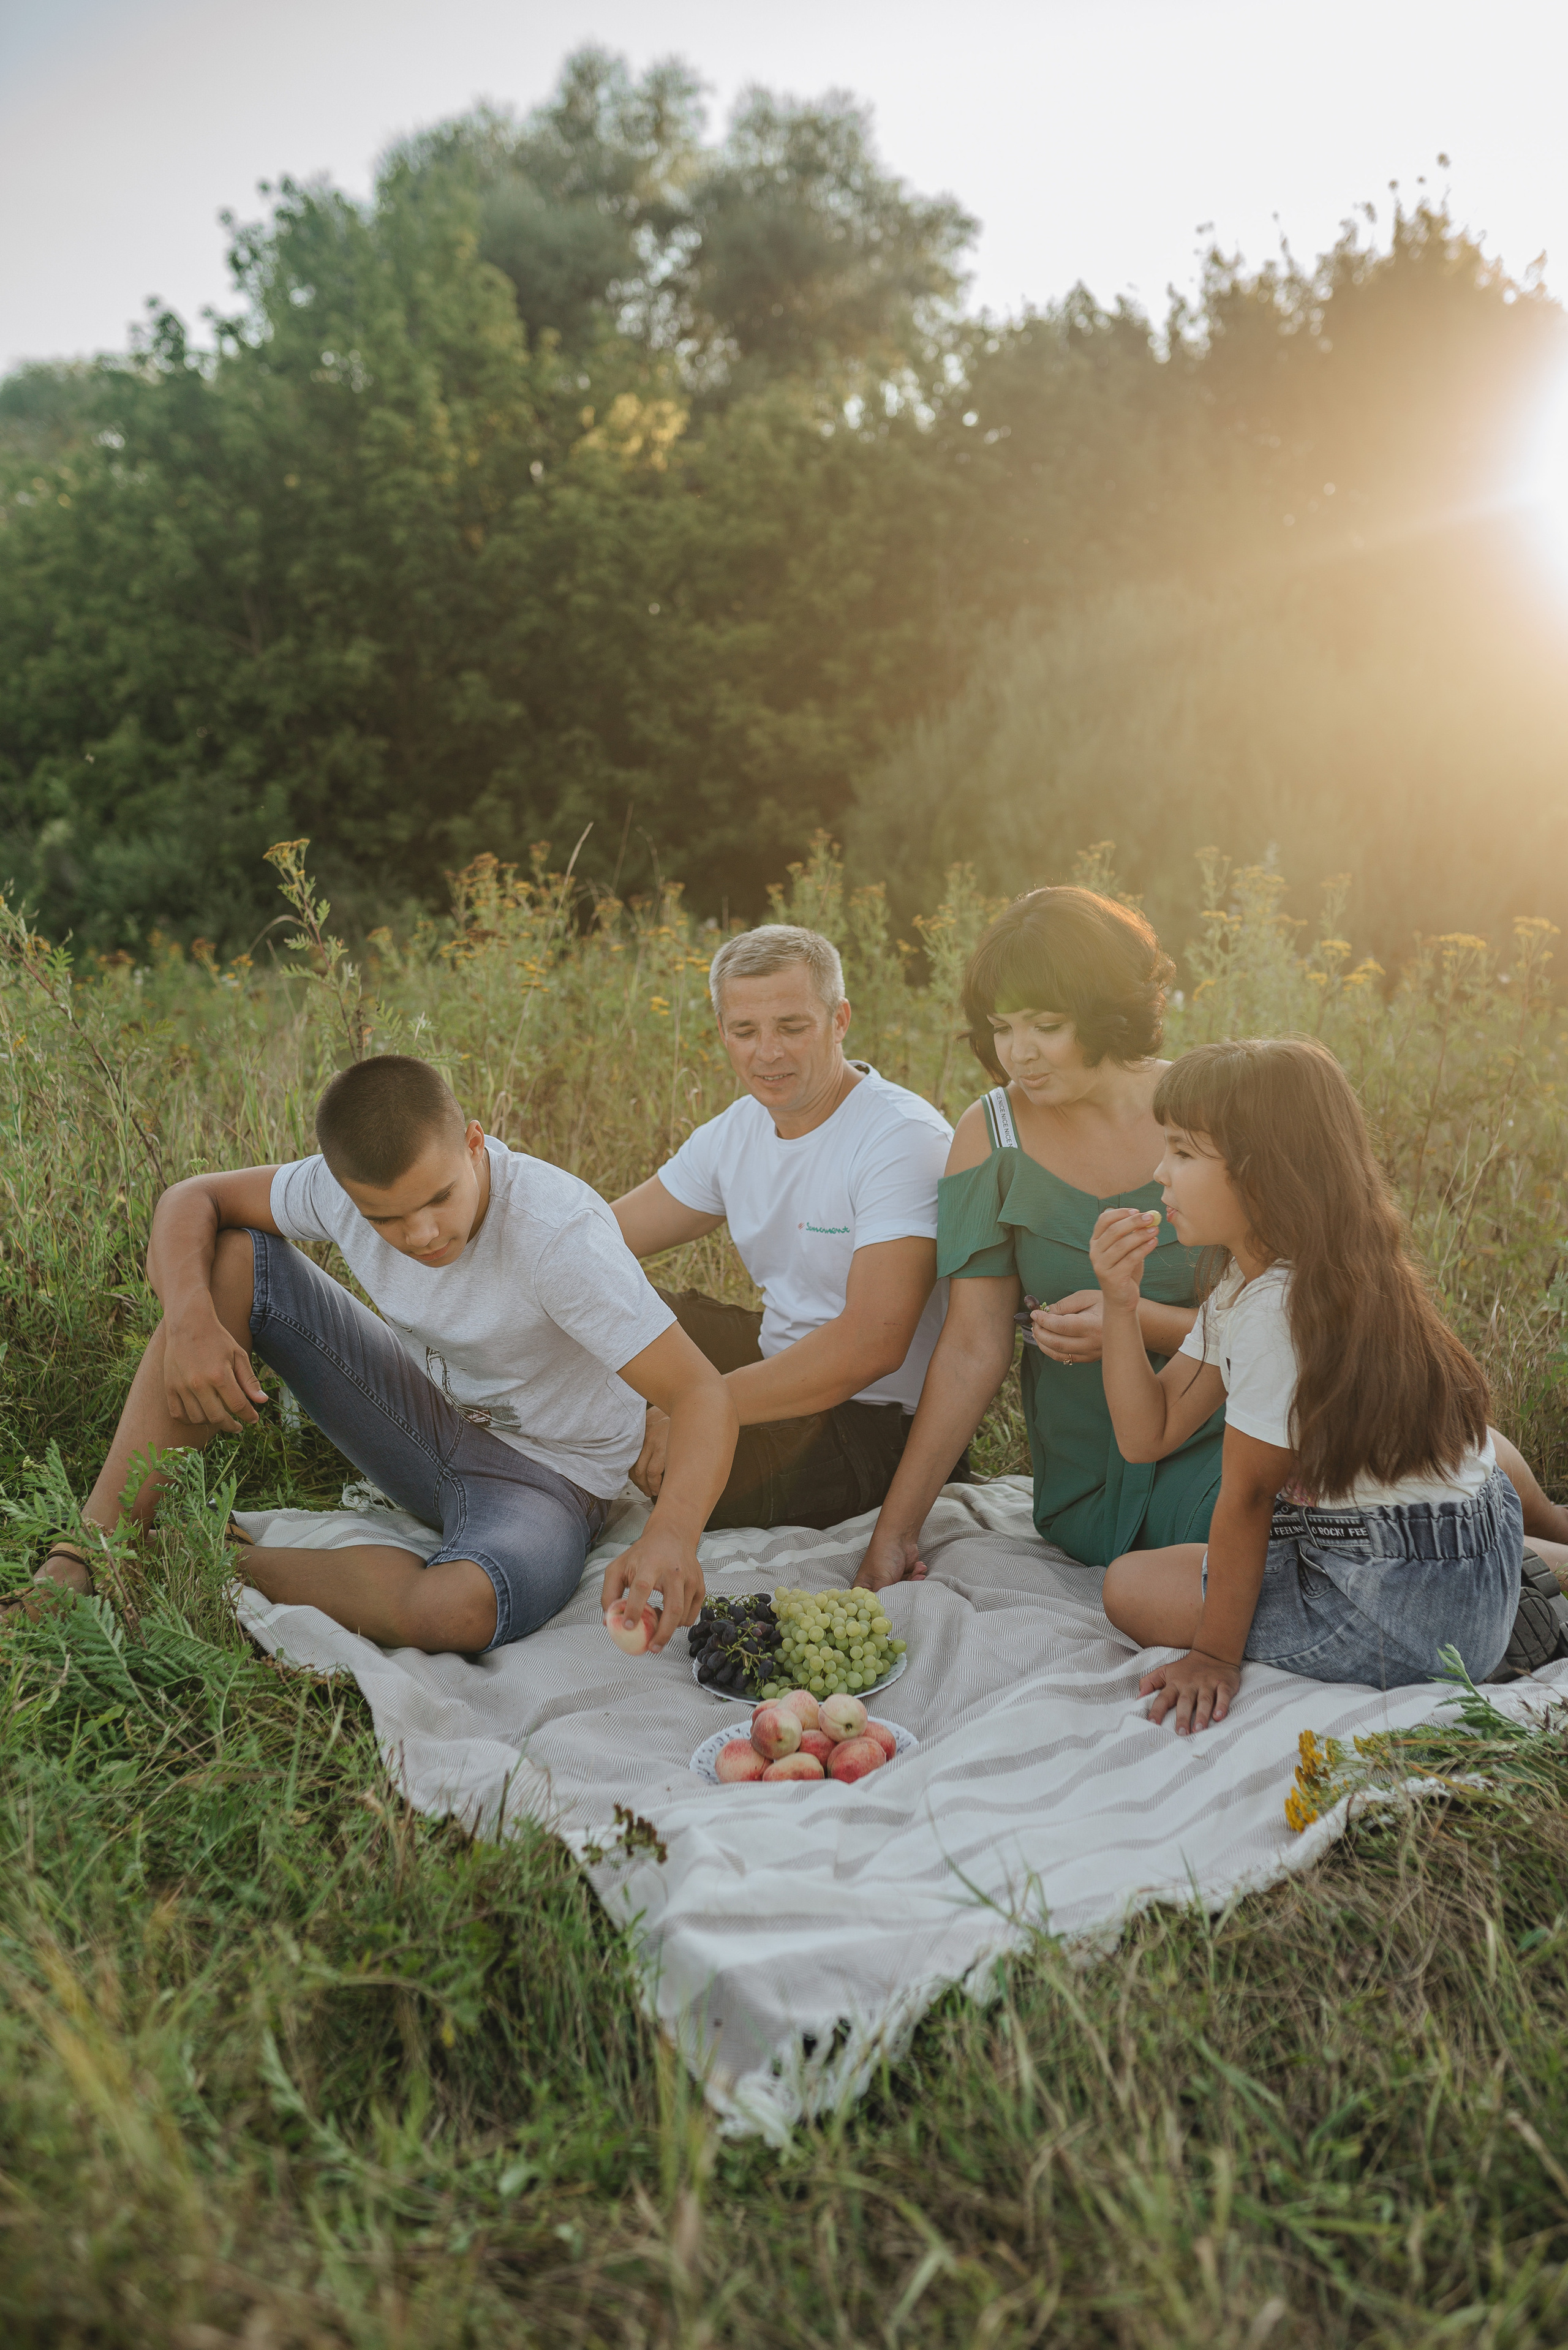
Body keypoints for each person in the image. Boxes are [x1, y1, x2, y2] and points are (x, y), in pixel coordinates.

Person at [26, 1055, 736, 1654]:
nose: (423, 1233)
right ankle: (83, 1555)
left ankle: (198, 1558)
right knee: (235, 1260)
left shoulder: (559, 1236)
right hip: (425, 1420)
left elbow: (701, 1396)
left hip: (553, 1479)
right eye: (386, 1218)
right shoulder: (338, 1191)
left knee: (454, 1611)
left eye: (439, 1199)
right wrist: (188, 1322)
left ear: (475, 1143)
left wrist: (672, 1535)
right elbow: (193, 1197)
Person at [1088, 1037, 1568, 1734]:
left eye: (1185, 1153)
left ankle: (1484, 1629)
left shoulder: (1274, 1313)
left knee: (1126, 1587)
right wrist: (1120, 1305)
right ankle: (1523, 1579)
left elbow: (1247, 1499)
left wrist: (1214, 1656)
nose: (1159, 1172)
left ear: (1265, 1173)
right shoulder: (1284, 1273)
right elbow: (1148, 1433)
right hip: (1455, 1532)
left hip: (1401, 1593)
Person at [856, 886, 1223, 1590]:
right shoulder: (989, 1135)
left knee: (1468, 1463)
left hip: (1227, 1436)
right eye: (1002, 1027)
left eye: (1045, 1025)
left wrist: (1134, 1321)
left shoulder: (1211, 1110)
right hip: (1089, 1474)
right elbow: (972, 1346)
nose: (1018, 1054)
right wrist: (894, 1534)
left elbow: (1289, 1318)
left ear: (1106, 1011)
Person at [612, 923, 959, 1529]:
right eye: (745, 1031)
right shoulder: (737, 1130)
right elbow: (596, 1240)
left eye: (792, 1028)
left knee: (676, 1473)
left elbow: (870, 1346)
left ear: (839, 1020)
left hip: (874, 1422)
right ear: (722, 1033)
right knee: (594, 1311)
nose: (766, 1053)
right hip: (775, 1361)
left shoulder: (902, 1138)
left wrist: (699, 1408)